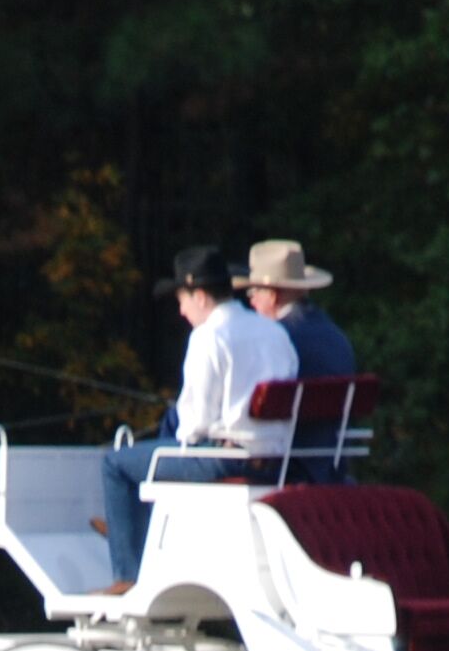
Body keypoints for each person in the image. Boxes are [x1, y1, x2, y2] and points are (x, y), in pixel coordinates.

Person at [97, 246, 298, 579]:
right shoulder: (274, 332)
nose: (181, 311)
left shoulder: (209, 337)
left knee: (116, 464)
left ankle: (127, 574)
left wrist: (185, 436)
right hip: (276, 456)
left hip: (227, 457)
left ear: (201, 297)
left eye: (182, 300)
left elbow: (193, 426)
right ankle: (137, 534)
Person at [243, 239, 357, 482]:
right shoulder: (337, 337)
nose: (250, 302)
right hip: (331, 466)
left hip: (282, 466)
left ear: (272, 296)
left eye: (253, 293)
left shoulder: (274, 340)